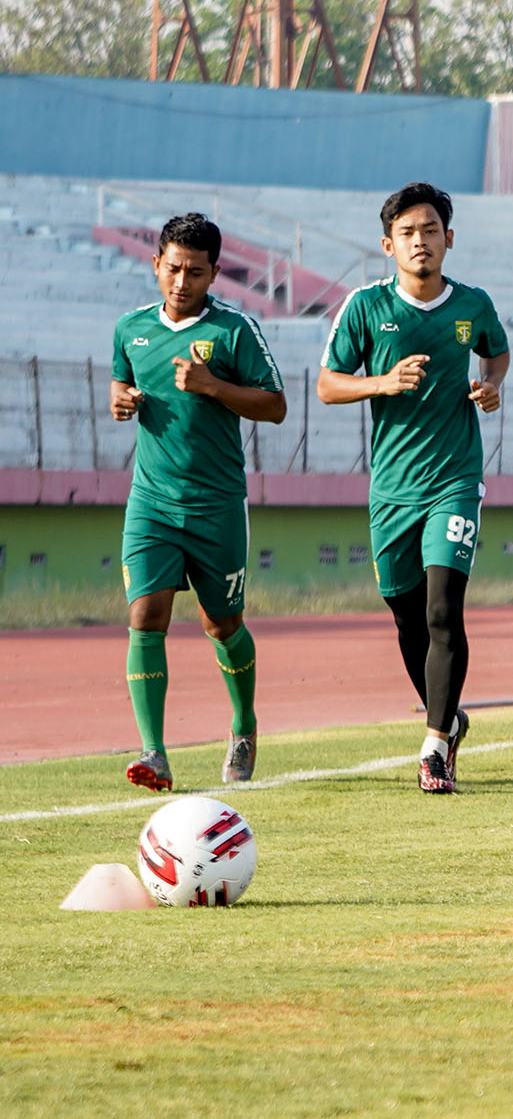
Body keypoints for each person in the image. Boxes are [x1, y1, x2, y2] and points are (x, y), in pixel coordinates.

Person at [317, 182, 510, 794]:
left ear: (448, 239)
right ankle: (448, 718)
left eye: (430, 230)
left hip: (454, 480)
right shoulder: (365, 307)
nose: (420, 241)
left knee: (442, 610)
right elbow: (327, 384)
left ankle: (432, 747)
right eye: (407, 233)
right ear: (387, 245)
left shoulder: (473, 305)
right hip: (392, 489)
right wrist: (382, 383)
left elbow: (497, 353)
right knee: (406, 618)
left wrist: (489, 383)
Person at [110, 213, 286, 792]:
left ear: (214, 274)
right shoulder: (131, 329)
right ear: (156, 262)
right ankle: (154, 753)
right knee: (146, 615)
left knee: (222, 623)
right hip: (152, 502)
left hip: (216, 506)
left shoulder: (236, 331)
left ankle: (243, 725)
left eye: (196, 272)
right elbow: (121, 379)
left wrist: (213, 386)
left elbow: (275, 404)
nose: (182, 282)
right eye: (174, 268)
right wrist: (122, 399)